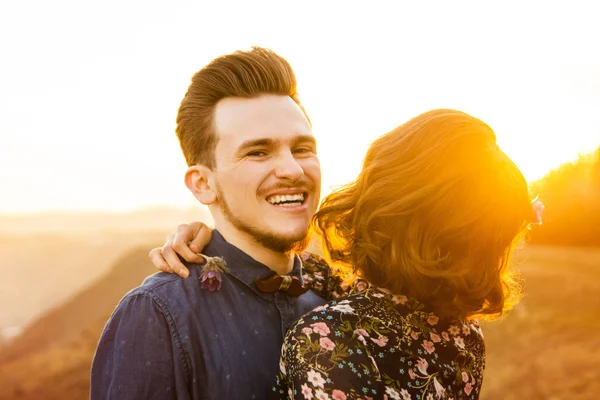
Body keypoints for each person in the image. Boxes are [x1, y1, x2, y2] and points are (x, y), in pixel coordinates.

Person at [153, 109, 543, 399]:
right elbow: (322, 276)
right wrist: (216, 242)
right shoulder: (465, 337)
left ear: (386, 203)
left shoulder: (330, 339)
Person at [91, 47, 345, 400]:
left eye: (302, 148)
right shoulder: (159, 314)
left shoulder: (336, 298)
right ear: (203, 183)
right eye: (258, 152)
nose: (292, 169)